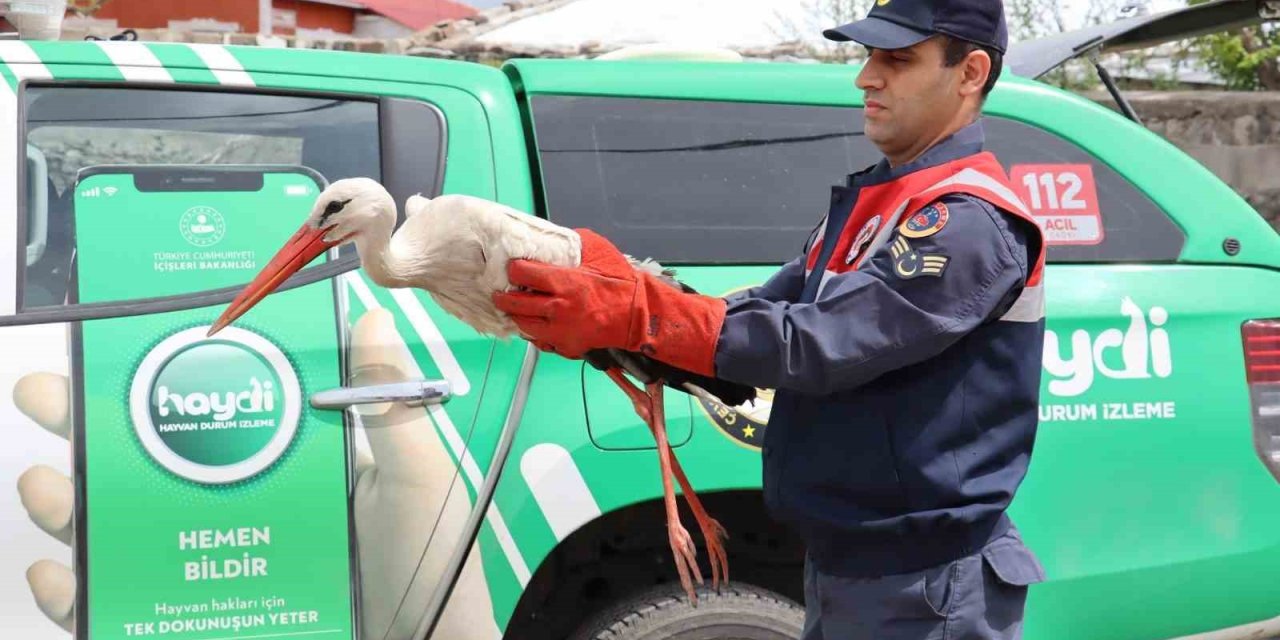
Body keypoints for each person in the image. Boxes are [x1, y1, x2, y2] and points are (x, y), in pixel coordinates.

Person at [493, 0, 1048, 637]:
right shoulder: (878, 198)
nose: (866, 77)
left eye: (896, 59)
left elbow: (822, 344)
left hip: (926, 583)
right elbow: (758, 313)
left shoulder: (968, 218)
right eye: (868, 56)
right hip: (851, 566)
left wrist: (641, 314)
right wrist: (625, 324)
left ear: (971, 71)